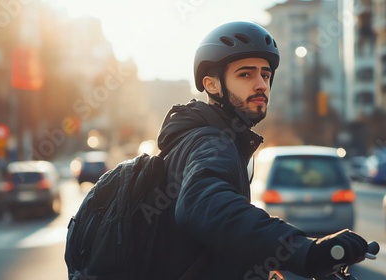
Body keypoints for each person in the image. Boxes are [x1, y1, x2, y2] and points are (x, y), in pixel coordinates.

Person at [156, 21, 369, 279]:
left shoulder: (207, 137)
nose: (261, 85)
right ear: (212, 85)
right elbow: (204, 204)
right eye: (246, 74)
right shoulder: (211, 141)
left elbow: (212, 251)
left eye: (265, 75)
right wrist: (305, 251)